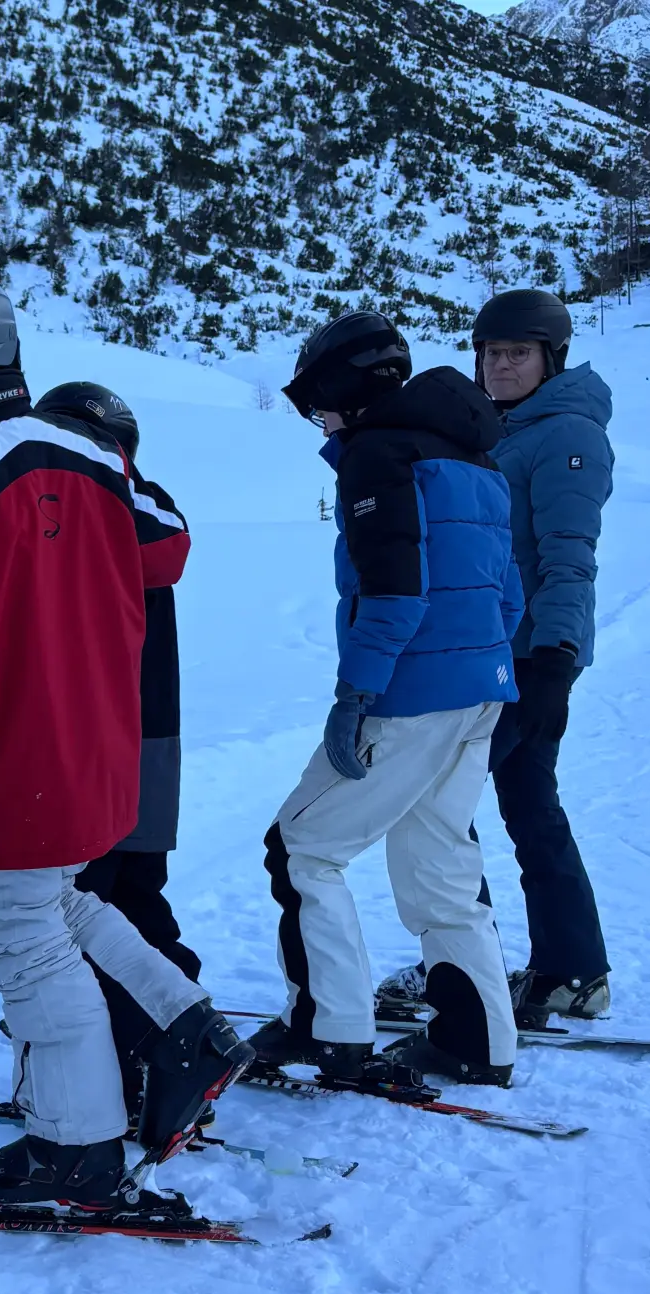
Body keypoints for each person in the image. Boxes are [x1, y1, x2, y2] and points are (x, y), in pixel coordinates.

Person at [0, 268, 251, 1214]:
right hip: (96, 754)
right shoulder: (90, 454)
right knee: (57, 905)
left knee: (18, 938)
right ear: (9, 348)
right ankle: (187, 1025)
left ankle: (74, 1148)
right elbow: (166, 546)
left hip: (6, 761)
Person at [254, 310, 522, 1088]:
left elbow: (394, 593)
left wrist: (356, 693)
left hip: (409, 697)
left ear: (345, 385)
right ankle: (479, 1041)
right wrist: (482, 675)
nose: (319, 420)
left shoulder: (377, 456)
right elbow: (508, 599)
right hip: (480, 692)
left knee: (303, 848)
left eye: (316, 402)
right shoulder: (476, 459)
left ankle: (328, 1028)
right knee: (440, 866)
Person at [380, 291, 613, 1023]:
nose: (501, 365)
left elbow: (570, 557)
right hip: (499, 652)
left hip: (526, 657)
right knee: (528, 805)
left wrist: (557, 658)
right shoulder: (506, 429)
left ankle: (461, 967)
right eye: (491, 352)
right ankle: (571, 972)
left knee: (438, 802)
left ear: (551, 358)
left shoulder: (566, 434)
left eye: (518, 353)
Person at [33, 383, 200, 996]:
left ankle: (149, 1017)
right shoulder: (43, 506)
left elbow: (169, 549)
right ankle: (159, 1007)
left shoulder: (130, 502)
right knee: (99, 890)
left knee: (102, 890)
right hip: (104, 732)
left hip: (122, 737)